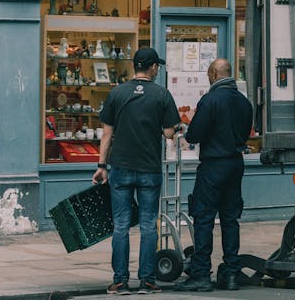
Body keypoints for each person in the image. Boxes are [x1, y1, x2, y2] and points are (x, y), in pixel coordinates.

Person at [93, 47, 181, 295]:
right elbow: (167, 133)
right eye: (157, 66)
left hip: (120, 167)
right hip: (149, 169)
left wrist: (102, 166)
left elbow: (107, 134)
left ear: (135, 67)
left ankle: (120, 281)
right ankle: (148, 280)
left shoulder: (117, 93)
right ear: (152, 67)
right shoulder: (162, 95)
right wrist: (177, 128)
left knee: (120, 225)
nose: (157, 70)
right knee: (147, 226)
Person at [175, 58, 253, 292]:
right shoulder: (244, 102)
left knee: (204, 218)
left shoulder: (210, 100)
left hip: (213, 166)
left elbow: (195, 135)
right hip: (235, 164)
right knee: (230, 219)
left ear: (212, 74)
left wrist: (187, 130)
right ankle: (230, 273)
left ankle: (201, 274)